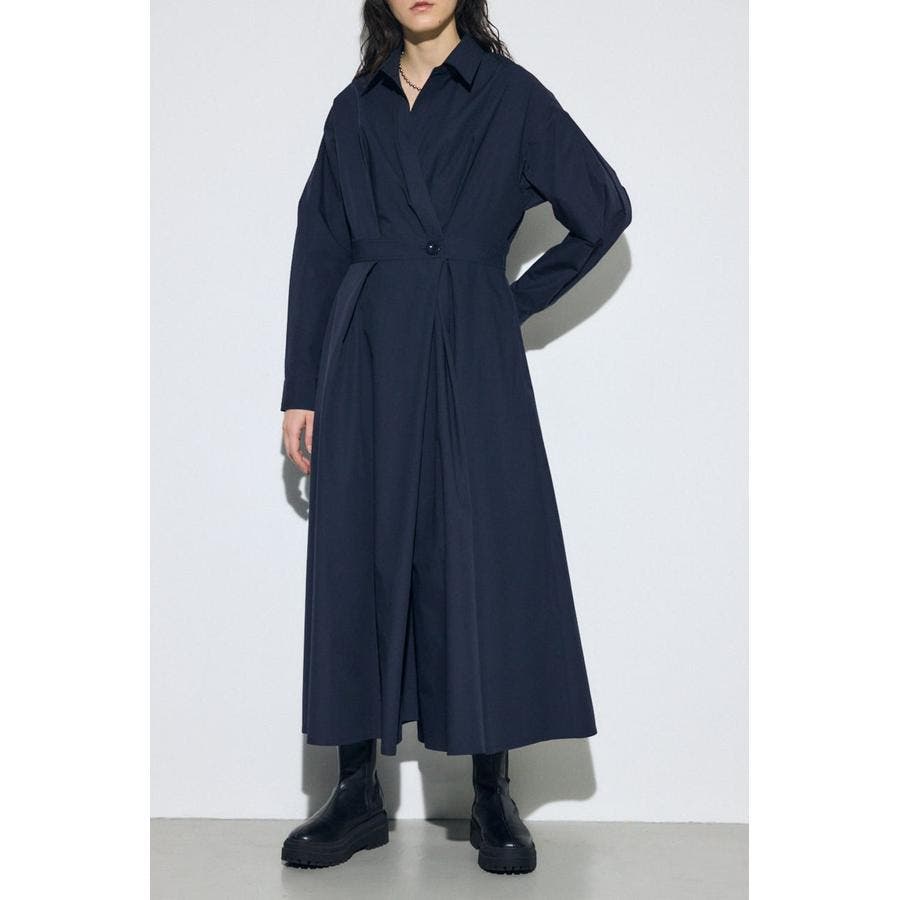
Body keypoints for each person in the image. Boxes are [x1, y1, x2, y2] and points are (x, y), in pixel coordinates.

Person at [279, 0, 631, 876]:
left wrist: (504, 303)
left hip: (469, 357)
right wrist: (300, 390)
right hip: (364, 355)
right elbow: (318, 247)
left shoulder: (509, 96)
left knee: (477, 556)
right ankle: (356, 792)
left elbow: (604, 207)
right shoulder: (354, 108)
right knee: (359, 556)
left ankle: (490, 791)